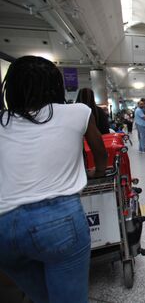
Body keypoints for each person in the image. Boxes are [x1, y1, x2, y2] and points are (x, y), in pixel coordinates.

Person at [0, 56, 107, 303]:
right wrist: (99, 171)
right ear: (56, 85)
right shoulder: (77, 111)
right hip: (58, 219)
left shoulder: (3, 121)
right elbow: (99, 151)